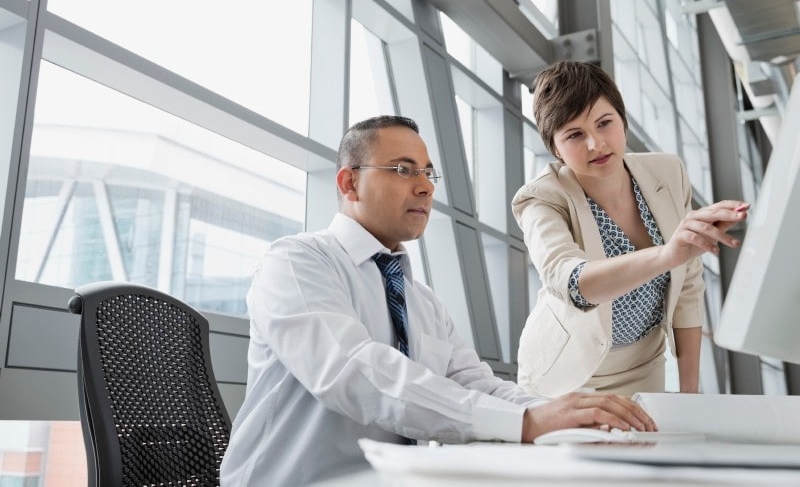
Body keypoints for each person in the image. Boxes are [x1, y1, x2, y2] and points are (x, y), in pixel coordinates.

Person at [220, 115, 656, 485]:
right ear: (349, 182)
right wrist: (522, 423)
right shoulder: (297, 262)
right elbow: (353, 372)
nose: (426, 188)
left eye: (429, 173)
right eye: (404, 170)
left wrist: (559, 410)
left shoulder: (420, 300)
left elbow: (475, 383)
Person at [511, 60, 748, 399]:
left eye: (604, 123)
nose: (596, 144)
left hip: (643, 366)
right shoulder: (540, 199)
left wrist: (690, 393)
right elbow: (572, 282)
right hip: (568, 376)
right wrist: (667, 255)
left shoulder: (668, 172)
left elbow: (689, 289)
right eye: (575, 135)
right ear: (555, 148)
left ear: (622, 120)